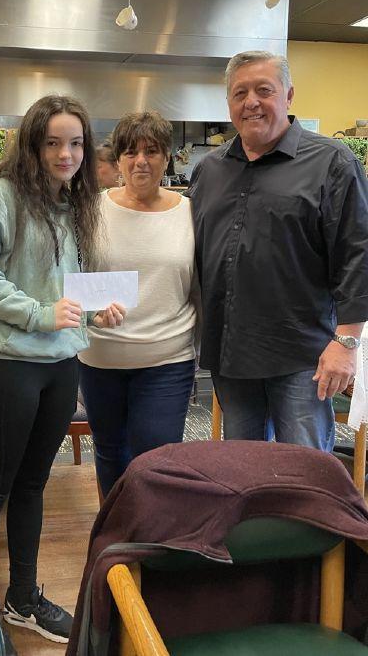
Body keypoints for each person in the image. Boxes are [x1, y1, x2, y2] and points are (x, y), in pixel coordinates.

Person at [0, 94, 121, 649]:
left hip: (61, 365)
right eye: (52, 142)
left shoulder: (73, 203)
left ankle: (22, 599)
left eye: (75, 143)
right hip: (8, 368)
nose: (65, 154)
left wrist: (95, 309)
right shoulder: (0, 196)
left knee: (32, 485)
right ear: (32, 144)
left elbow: (63, 285)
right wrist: (38, 315)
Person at [187, 50, 368, 451]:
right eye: (240, 93)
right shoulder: (209, 170)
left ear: (288, 95)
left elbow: (358, 255)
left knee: (304, 471)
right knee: (244, 468)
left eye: (263, 90)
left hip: (302, 357)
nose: (251, 102)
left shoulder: (332, 163)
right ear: (229, 103)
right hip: (231, 353)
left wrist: (347, 342)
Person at [79, 111, 197, 498]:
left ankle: (154, 533)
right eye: (130, 152)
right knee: (110, 452)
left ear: (167, 157)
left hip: (167, 358)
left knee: (157, 457)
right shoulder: (90, 209)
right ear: (118, 159)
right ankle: (114, 531)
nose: (140, 161)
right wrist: (89, 309)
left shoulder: (190, 213)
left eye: (151, 151)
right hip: (101, 358)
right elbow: (68, 272)